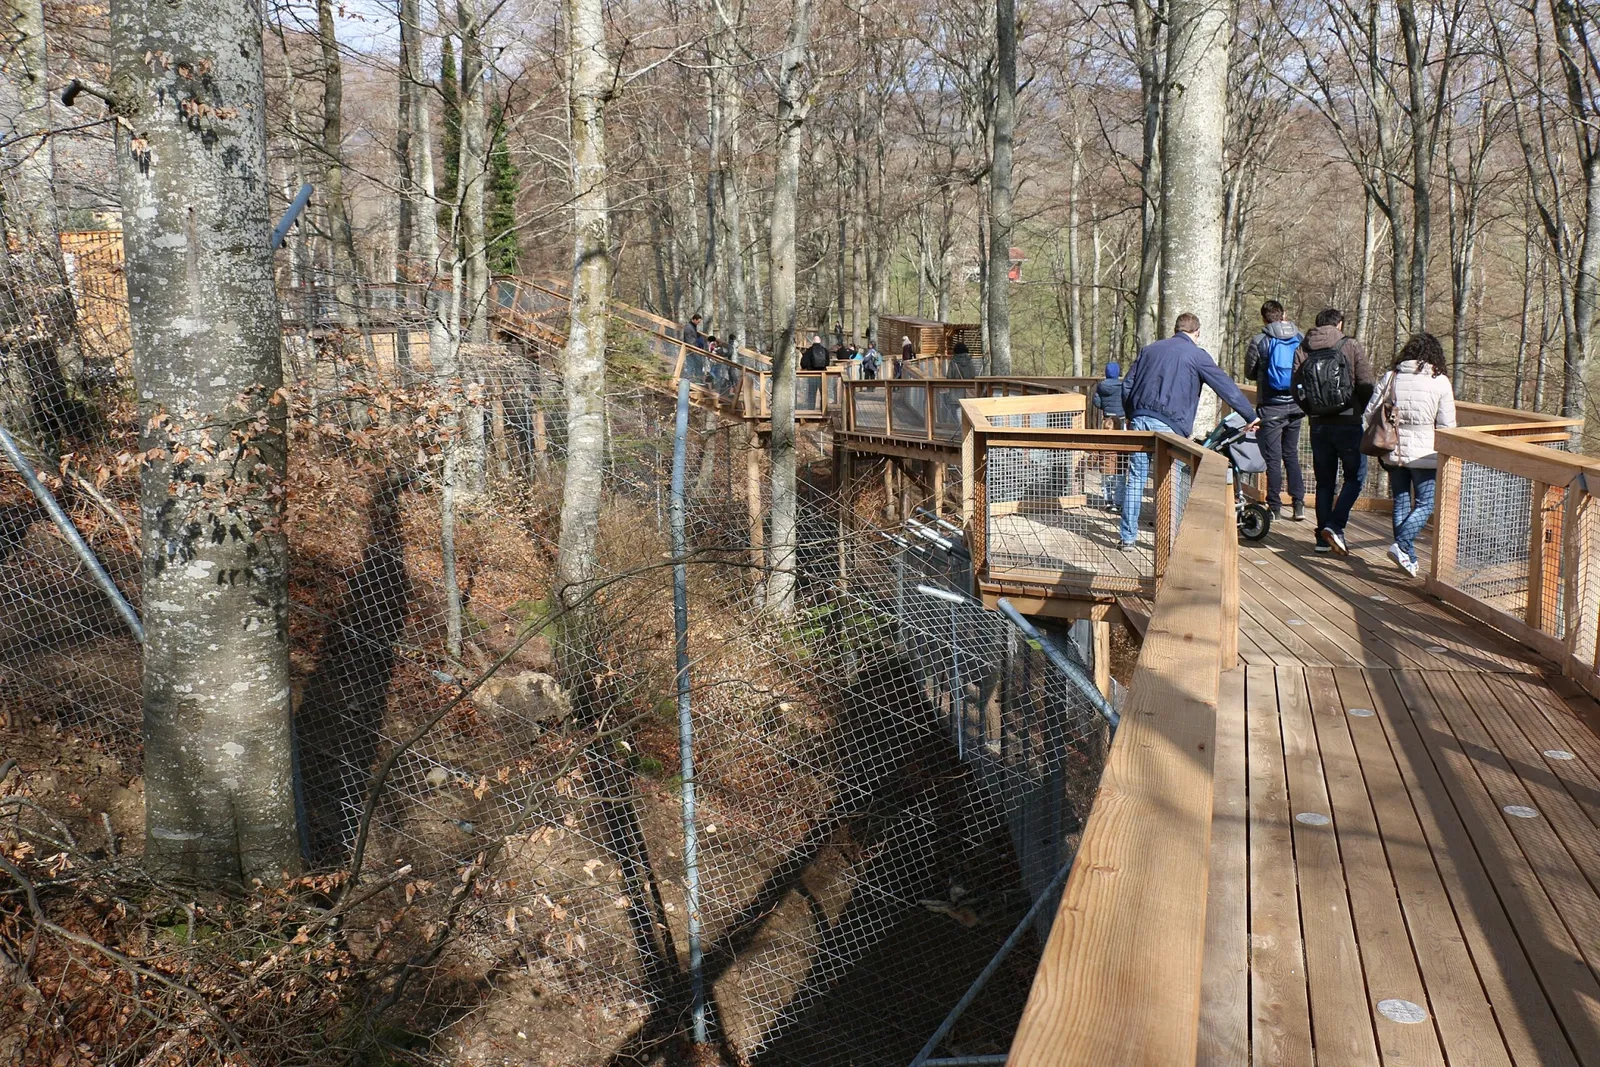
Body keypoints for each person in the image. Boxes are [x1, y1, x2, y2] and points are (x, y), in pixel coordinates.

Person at [1119, 313, 1257, 549]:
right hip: (1170, 424)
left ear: (1175, 329)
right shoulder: (1197, 355)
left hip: (1140, 418)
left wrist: (1132, 413)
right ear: (1197, 332)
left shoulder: (1150, 350)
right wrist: (1250, 415)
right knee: (1170, 480)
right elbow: (1226, 387)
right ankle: (1169, 539)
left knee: (1136, 478)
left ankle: (1128, 538)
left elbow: (1127, 385)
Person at [1365, 332, 1456, 577]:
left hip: (1393, 447)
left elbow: (1369, 412)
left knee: (1402, 502)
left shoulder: (1391, 377)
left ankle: (1409, 558)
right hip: (1425, 450)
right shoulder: (1440, 382)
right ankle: (1403, 545)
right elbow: (1448, 425)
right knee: (1427, 502)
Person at [1295, 307, 1375, 555]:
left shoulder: (1303, 348)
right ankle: (1335, 525)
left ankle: (1321, 538)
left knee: (1324, 482)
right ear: (1339, 324)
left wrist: (1312, 410)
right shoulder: (1349, 345)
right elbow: (1366, 383)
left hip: (1318, 424)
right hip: (1348, 421)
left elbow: (1295, 387)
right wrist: (1358, 409)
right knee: (1355, 476)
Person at [1242, 299, 1306, 521]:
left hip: (1271, 406)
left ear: (1264, 318)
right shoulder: (1299, 338)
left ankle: (1275, 508)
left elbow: (1250, 372)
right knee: (1291, 454)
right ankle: (1298, 504)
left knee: (1273, 457)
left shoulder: (1260, 340)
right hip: (1296, 405)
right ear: (1283, 314)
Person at [1092, 361, 1126, 428]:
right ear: (1117, 373)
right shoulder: (1121, 386)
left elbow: (1096, 401)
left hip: (1107, 415)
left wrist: (1104, 406)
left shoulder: (1101, 386)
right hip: (1120, 416)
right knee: (1120, 436)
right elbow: (1126, 399)